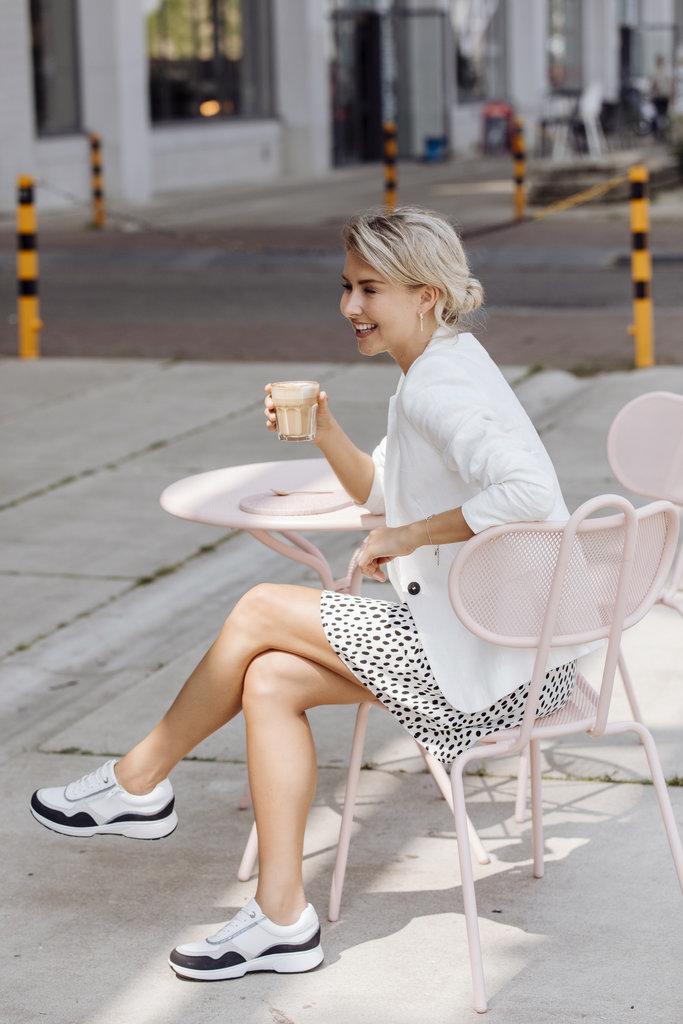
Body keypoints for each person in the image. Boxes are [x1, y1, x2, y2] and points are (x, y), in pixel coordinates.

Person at [29, 206, 588, 983]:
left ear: (426, 294)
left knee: (259, 607)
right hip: (518, 659)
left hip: (496, 676)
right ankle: (281, 919)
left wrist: (408, 537)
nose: (351, 307)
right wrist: (325, 429)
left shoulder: (438, 387)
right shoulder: (441, 365)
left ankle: (137, 782)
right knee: (268, 679)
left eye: (370, 288)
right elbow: (380, 495)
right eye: (346, 286)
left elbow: (528, 493)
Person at [650, 54, 673, 138]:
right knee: (659, 115)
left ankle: (663, 132)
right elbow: (652, 86)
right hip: (658, 97)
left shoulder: (667, 72)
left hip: (664, 97)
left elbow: (671, 85)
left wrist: (671, 96)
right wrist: (651, 96)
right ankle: (659, 132)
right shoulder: (655, 72)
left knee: (663, 115)